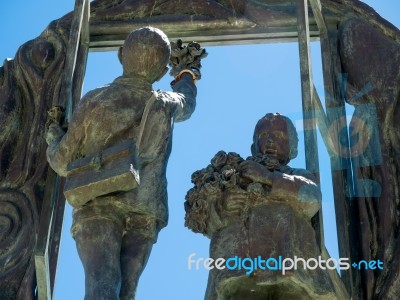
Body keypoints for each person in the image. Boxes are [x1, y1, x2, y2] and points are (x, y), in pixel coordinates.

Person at [46, 27, 198, 299]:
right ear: (162, 73)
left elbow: (62, 162)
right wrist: (186, 74)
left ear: (120, 55)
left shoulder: (95, 100)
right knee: (126, 291)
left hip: (98, 201)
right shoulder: (166, 103)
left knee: (101, 284)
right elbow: (189, 100)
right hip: (146, 209)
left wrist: (54, 136)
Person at [185, 113, 338, 299]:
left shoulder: (296, 174)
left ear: (293, 149)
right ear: (253, 146)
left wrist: (269, 178)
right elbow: (208, 223)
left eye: (280, 136)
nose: (271, 141)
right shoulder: (237, 175)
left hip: (288, 266)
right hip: (238, 268)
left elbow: (311, 197)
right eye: (263, 136)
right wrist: (222, 207)